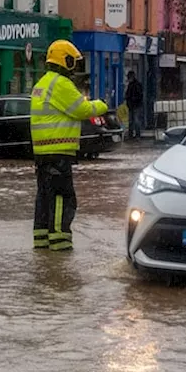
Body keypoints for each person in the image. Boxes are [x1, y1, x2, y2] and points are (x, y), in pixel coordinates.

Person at [30, 40, 109, 252]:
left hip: (43, 153)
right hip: (58, 152)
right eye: (73, 61)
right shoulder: (61, 84)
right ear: (65, 60)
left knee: (44, 196)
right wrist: (102, 104)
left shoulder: (41, 84)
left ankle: (42, 240)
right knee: (62, 197)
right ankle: (60, 241)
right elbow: (82, 109)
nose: (75, 66)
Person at [125, 71, 144, 139]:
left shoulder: (136, 85)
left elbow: (139, 96)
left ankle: (135, 134)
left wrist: (131, 100)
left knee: (135, 120)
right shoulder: (134, 84)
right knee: (133, 120)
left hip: (135, 105)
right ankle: (133, 134)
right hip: (133, 105)